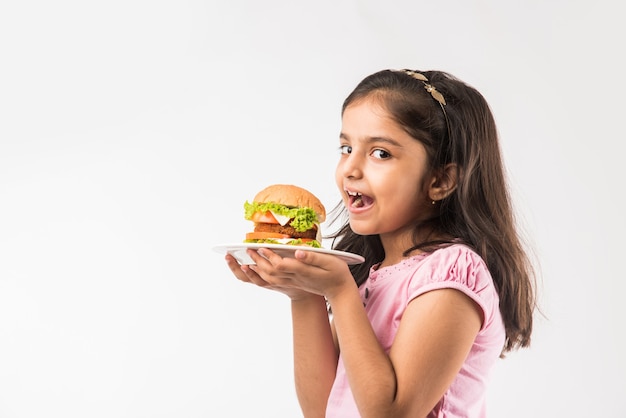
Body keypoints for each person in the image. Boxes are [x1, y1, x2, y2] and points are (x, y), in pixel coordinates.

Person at [224, 68, 537, 417]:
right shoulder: (372, 275)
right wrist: (305, 295)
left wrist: (339, 291)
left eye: (381, 153)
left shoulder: (451, 274)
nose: (350, 169)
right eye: (346, 148)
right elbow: (321, 409)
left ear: (441, 180)